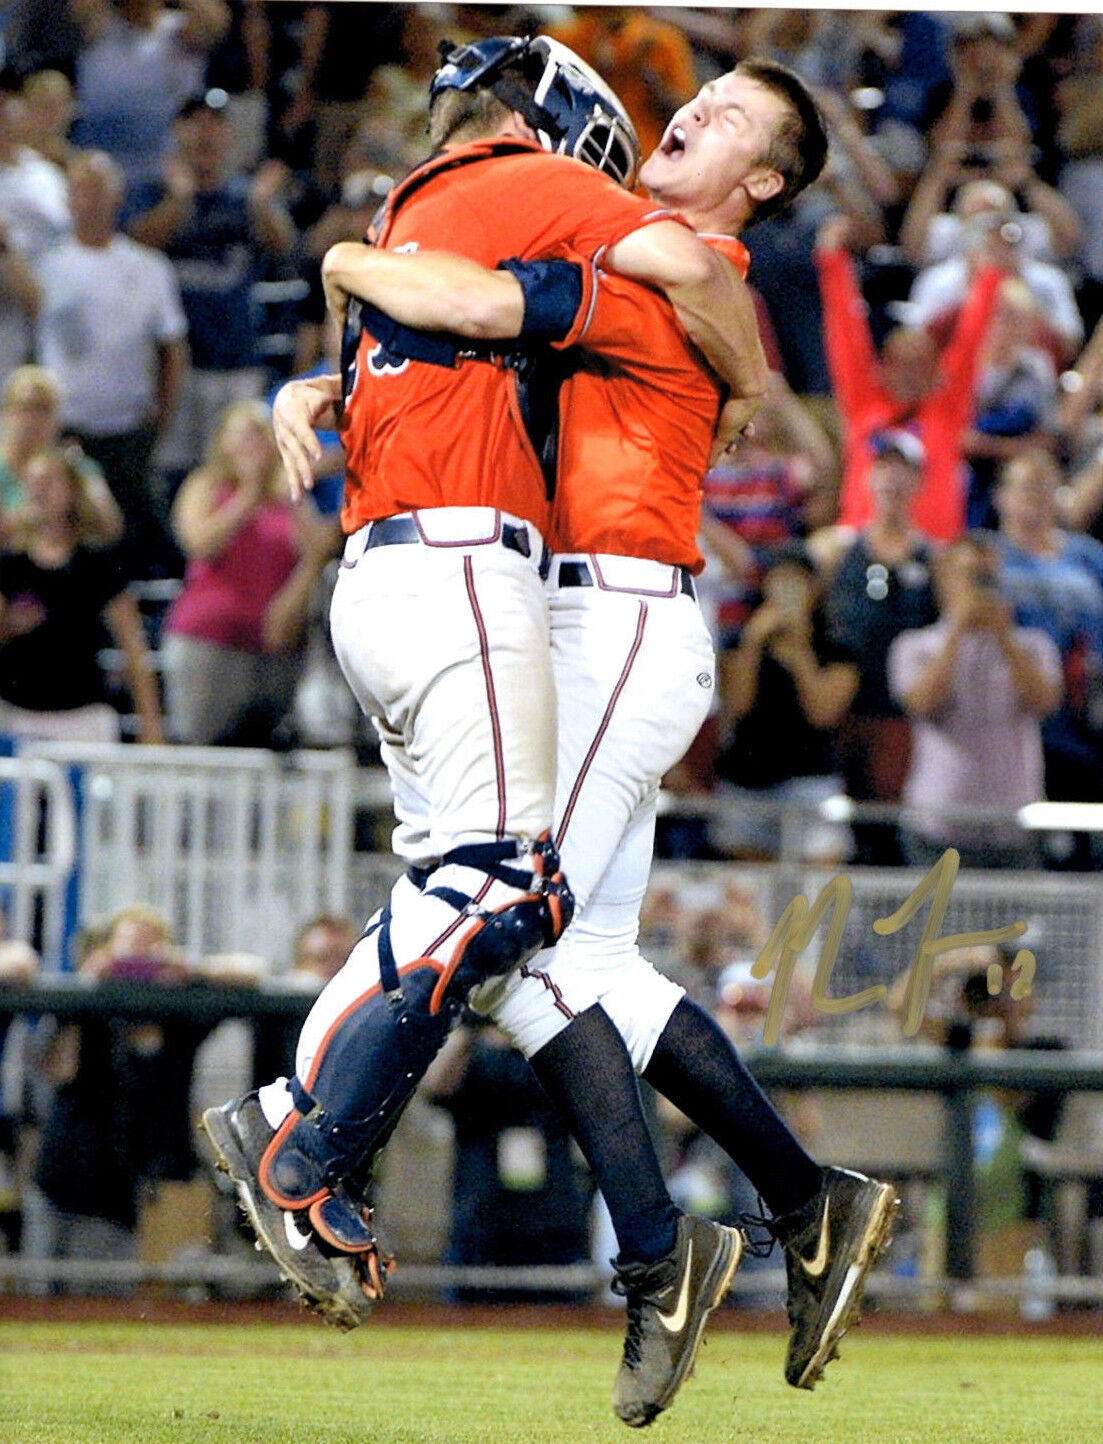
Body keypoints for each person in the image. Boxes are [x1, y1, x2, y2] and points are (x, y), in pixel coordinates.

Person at [268, 47, 896, 1407]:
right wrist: (329, 382)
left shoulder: (663, 263)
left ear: (765, 181)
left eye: (729, 115)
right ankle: (794, 1208)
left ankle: (649, 1249)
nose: (692, 110)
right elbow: (483, 339)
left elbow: (484, 295)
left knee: (516, 933)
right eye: (702, 93)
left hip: (608, 618)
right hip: (590, 620)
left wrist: (345, 268)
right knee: (581, 954)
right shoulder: (656, 258)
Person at [204, 37, 761, 1429]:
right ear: (560, 131)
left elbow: (431, 323)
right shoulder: (538, 182)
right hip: (467, 571)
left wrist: (329, 306)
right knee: (511, 895)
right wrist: (754, 392)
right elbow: (677, 269)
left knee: (488, 918)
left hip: (379, 580)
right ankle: (302, 1141)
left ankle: (644, 1249)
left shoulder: (411, 198)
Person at [124, 86, 296, 484]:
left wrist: (259, 204)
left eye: (215, 124)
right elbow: (135, 244)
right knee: (174, 472)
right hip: (174, 364)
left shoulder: (245, 196)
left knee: (237, 472)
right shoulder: (155, 191)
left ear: (229, 134)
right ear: (178, 131)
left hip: (237, 356)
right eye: (195, 124)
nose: (205, 134)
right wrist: (180, 201)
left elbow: (284, 245)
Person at [34, 150, 188, 578]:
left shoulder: (148, 267)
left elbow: (172, 348)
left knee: (138, 536)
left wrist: (161, 415)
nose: (88, 200)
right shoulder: (46, 267)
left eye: (97, 189)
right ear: (66, 199)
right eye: (79, 190)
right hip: (66, 429)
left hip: (129, 429)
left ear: (117, 197)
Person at [815, 210, 1004, 542]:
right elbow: (846, 335)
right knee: (822, 549)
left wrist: (990, 277)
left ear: (936, 371)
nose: (909, 373)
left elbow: (970, 341)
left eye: (920, 364)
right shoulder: (864, 401)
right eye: (899, 363)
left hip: (934, 549)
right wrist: (832, 261)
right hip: (861, 541)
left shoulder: (948, 408)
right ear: (882, 367)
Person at [161, 400, 336, 746]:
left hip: (274, 650)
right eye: (241, 435)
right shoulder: (206, 486)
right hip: (209, 644)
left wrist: (293, 497)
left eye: (259, 435)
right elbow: (200, 543)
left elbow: (317, 552)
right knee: (204, 748)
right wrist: (249, 494)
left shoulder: (290, 498)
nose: (251, 445)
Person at [888, 533, 1062, 868]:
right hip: (937, 825)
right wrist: (956, 632)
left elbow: (1045, 703)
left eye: (989, 577)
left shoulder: (1032, 645)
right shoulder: (915, 646)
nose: (982, 586)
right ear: (945, 580)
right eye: (971, 575)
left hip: (1013, 826)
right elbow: (922, 702)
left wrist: (1004, 638)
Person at [812, 430, 940, 865]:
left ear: (920, 482)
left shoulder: (934, 560)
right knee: (843, 831)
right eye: (883, 468)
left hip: (900, 718)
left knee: (892, 828)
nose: (892, 480)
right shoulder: (835, 551)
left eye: (903, 470)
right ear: (867, 479)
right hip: (844, 712)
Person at [0, 444, 163, 744]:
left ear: (72, 491)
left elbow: (133, 647)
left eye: (49, 482)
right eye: (32, 484)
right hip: (15, 714)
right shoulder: (9, 564)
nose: (39, 492)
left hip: (82, 716)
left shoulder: (98, 563)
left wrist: (150, 724)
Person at [711, 541, 858, 862]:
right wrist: (753, 642)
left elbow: (823, 712)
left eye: (798, 581)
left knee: (819, 876)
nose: (788, 590)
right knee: (750, 891)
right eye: (780, 580)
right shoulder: (740, 639)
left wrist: (800, 650)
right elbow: (737, 705)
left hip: (812, 777)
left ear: (815, 588)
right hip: (747, 779)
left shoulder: (835, 645)